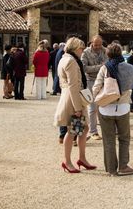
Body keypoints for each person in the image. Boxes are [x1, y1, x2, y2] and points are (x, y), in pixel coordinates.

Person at [92, 43, 133, 176]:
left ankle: (112, 169)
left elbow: (96, 87)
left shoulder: (105, 68)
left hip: (106, 107)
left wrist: (93, 101)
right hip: (123, 106)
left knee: (108, 139)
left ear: (108, 54)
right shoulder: (129, 67)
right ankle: (123, 166)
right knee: (124, 138)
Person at [54, 37, 95, 173]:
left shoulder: (65, 59)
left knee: (83, 128)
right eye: (81, 48)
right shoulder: (71, 61)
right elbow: (73, 85)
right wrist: (77, 107)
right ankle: (67, 161)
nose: (82, 51)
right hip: (73, 99)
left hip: (72, 96)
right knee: (73, 131)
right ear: (75, 48)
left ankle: (81, 158)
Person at [82, 35, 107, 140]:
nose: (98, 47)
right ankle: (93, 131)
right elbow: (84, 68)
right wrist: (100, 67)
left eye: (100, 44)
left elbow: (108, 64)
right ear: (91, 42)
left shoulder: (105, 51)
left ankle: (106, 130)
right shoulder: (85, 53)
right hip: (90, 81)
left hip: (103, 81)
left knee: (104, 106)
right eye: (96, 44)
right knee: (92, 108)